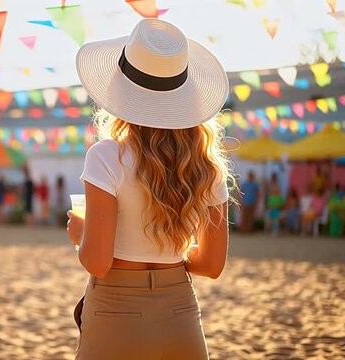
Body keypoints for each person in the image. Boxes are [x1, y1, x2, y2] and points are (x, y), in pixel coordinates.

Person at [66, 19, 233, 359]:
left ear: (120, 89)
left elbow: (97, 262)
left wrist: (82, 233)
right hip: (180, 315)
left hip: (115, 311)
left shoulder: (106, 155)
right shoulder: (206, 165)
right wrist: (163, 255)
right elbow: (212, 265)